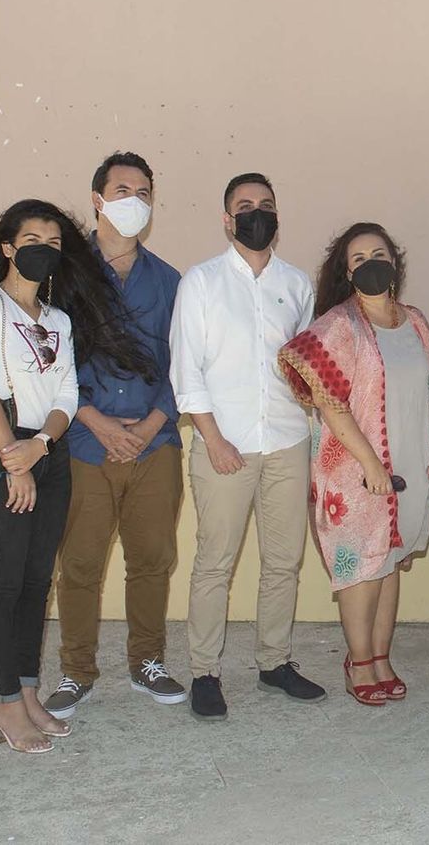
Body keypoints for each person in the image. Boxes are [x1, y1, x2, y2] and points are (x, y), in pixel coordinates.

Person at [0, 199, 154, 754]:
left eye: (53, 241)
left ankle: (26, 692)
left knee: (38, 583)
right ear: (7, 248)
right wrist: (14, 458)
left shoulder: (59, 320)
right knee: (5, 583)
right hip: (1, 454)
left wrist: (42, 445)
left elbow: (67, 391)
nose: (44, 249)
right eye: (32, 240)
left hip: (50, 450)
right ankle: (2, 704)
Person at [171, 172, 325, 719]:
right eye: (245, 206)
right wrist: (212, 440)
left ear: (278, 215)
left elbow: (308, 368)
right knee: (215, 562)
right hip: (224, 444)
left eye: (266, 205)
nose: (256, 213)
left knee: (283, 562)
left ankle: (274, 662)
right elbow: (186, 371)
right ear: (226, 217)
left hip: (287, 441)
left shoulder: (296, 284)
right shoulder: (202, 283)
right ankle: (204, 672)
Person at [278, 223, 429, 705]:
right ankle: (359, 662)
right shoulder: (340, 324)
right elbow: (329, 403)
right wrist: (371, 464)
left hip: (412, 462)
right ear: (346, 271)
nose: (370, 262)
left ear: (394, 261)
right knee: (362, 565)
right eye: (358, 258)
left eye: (378, 253)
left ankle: (381, 657)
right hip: (356, 471)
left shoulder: (415, 320)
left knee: (392, 559)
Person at [45, 152, 185, 720]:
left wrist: (154, 422)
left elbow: (189, 365)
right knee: (79, 562)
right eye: (123, 189)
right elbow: (45, 361)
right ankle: (77, 670)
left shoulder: (172, 280)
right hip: (85, 442)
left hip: (156, 443)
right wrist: (94, 419)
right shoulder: (63, 279)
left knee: (153, 559)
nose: (135, 200)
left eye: (145, 191)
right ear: (98, 199)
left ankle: (147, 661)